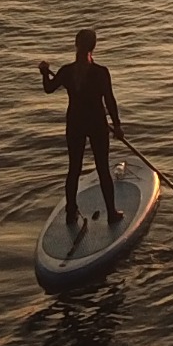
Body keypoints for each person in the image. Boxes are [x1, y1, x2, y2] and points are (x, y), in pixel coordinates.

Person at [40, 29, 124, 234]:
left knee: (74, 169)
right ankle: (112, 213)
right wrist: (117, 125)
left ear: (76, 44)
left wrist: (44, 72)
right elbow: (109, 100)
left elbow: (49, 88)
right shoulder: (101, 72)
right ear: (94, 46)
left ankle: (71, 213)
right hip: (97, 124)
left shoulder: (67, 71)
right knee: (102, 168)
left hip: (75, 124)